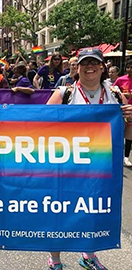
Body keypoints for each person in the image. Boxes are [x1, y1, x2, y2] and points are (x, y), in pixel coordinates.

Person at [46, 48, 132, 270]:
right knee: (60, 211)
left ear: (102, 66)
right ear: (78, 67)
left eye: (95, 62)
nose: (90, 66)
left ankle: (88, 255)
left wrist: (131, 120)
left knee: (93, 211)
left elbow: (129, 135)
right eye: (85, 63)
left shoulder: (115, 94)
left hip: (102, 168)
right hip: (66, 165)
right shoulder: (63, 94)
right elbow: (41, 128)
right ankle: (55, 259)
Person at [113, 60, 132, 166]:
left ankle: (126, 156)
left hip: (131, 111)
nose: (129, 70)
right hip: (121, 110)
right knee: (120, 133)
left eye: (131, 68)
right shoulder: (121, 80)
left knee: (130, 135)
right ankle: (121, 155)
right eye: (128, 67)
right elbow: (113, 91)